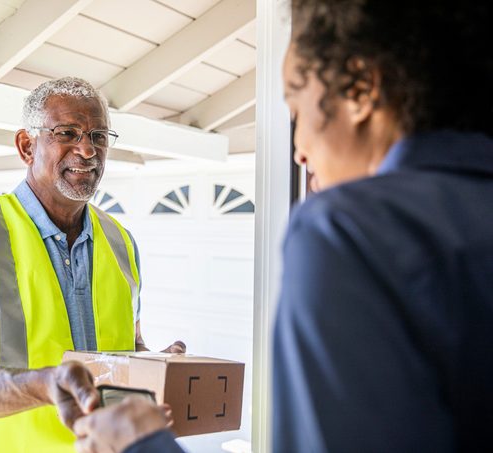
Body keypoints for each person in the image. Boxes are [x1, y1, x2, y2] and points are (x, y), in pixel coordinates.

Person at [71, 0, 493, 451]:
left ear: (360, 87)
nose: (299, 150)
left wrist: (141, 443)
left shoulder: (350, 232)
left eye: (298, 108)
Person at [0, 77, 185, 452]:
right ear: (27, 146)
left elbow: (129, 347)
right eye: (67, 133)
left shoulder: (121, 242)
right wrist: (43, 385)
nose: (88, 151)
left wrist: (156, 368)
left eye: (99, 136)